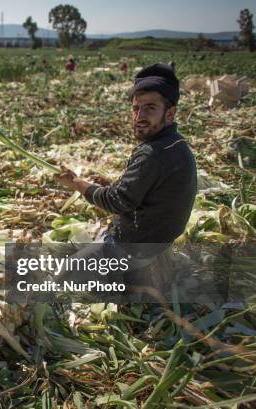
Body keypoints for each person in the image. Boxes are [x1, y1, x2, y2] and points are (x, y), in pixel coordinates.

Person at [53, 63, 197, 293]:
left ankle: (122, 277)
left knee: (63, 277)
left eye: (150, 108)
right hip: (159, 242)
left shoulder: (153, 153)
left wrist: (78, 184)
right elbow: (144, 189)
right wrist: (105, 185)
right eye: (136, 108)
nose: (139, 116)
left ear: (169, 114)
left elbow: (118, 201)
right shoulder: (177, 145)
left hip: (135, 248)